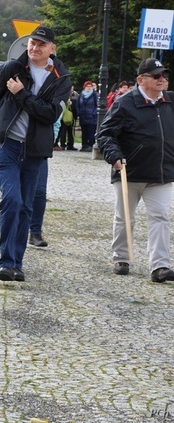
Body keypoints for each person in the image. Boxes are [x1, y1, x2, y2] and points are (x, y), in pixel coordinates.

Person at [0, 25, 71, 281]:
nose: (35, 48)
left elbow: (50, 114)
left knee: (25, 208)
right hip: (7, 146)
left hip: (35, 152)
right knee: (12, 200)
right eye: (32, 42)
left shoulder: (61, 79)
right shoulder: (12, 68)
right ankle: (6, 262)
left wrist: (22, 95)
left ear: (52, 49)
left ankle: (16, 262)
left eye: (41, 44)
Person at [97, 58, 174, 283]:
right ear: (141, 80)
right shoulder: (125, 102)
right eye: (157, 76)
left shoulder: (170, 102)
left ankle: (160, 266)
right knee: (125, 218)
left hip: (160, 173)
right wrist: (114, 155)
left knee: (160, 216)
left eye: (164, 76)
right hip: (129, 171)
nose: (162, 80)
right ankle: (122, 257)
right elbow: (105, 134)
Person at [76, 80, 98, 152]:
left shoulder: (95, 95)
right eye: (87, 86)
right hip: (83, 116)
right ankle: (84, 145)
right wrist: (79, 113)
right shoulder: (81, 95)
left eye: (90, 86)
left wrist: (93, 113)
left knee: (91, 133)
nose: (89, 88)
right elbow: (78, 105)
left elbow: (97, 105)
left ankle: (91, 145)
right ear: (84, 87)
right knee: (84, 132)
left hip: (91, 117)